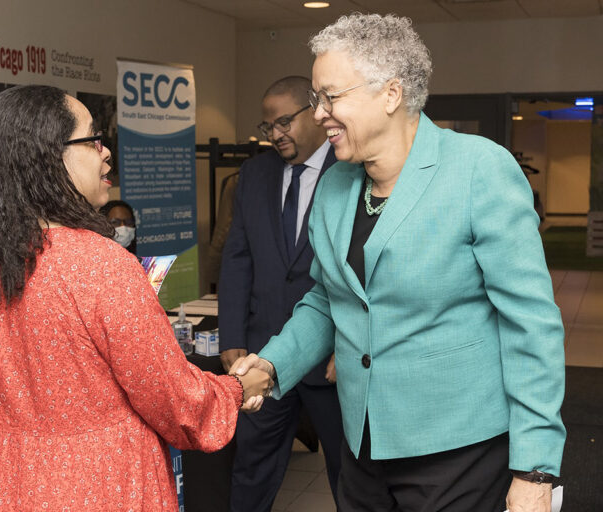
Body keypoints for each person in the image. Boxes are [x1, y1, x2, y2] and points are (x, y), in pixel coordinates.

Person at [232, 14, 565, 512]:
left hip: (460, 452)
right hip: (362, 446)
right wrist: (272, 363)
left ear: (390, 94)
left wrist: (535, 470)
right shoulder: (335, 185)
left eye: (330, 96)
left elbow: (531, 325)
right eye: (317, 99)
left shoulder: (478, 169)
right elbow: (328, 299)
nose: (319, 113)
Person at [0, 85, 272, 512]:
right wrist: (238, 388)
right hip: (95, 482)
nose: (106, 152)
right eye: (93, 139)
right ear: (48, 157)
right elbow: (175, 403)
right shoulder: (100, 265)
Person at [219, 75, 343, 511]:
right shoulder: (254, 174)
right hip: (263, 353)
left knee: (349, 473)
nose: (275, 134)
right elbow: (237, 258)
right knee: (252, 467)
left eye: (284, 122)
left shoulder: (350, 168)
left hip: (331, 359)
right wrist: (233, 335)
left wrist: (350, 344)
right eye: (267, 126)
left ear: (316, 113)